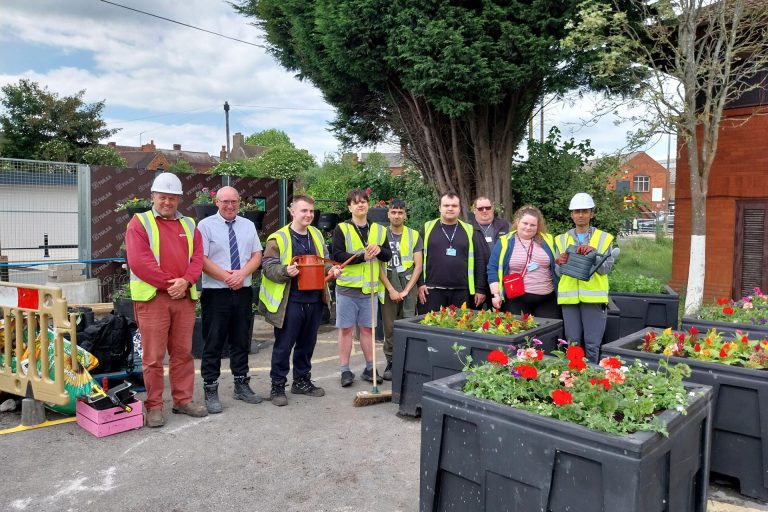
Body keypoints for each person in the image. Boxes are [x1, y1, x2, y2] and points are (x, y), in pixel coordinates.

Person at [125, 172, 207, 427]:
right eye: (163, 197)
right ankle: (154, 406)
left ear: (180, 199)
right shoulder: (139, 223)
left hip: (183, 297)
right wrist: (171, 284)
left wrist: (187, 281)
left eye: (173, 198)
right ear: (153, 197)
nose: (168, 202)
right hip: (153, 299)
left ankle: (182, 400)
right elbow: (140, 262)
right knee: (153, 357)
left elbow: (198, 259)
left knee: (183, 354)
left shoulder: (190, 225)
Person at [260, 195, 342, 406]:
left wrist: (331, 269)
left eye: (311, 211)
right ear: (292, 212)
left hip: (314, 300)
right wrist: (285, 271)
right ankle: (277, 386)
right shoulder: (277, 238)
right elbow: (268, 267)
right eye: (304, 211)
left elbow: (322, 261)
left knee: (307, 344)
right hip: (290, 302)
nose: (308, 215)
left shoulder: (316, 234)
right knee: (284, 345)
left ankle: (301, 381)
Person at [197, 186, 263, 414]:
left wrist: (242, 274)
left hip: (242, 291)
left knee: (240, 340)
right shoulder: (205, 226)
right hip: (216, 293)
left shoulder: (248, 225)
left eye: (234, 201)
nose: (230, 206)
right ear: (216, 202)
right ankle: (211, 388)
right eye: (225, 201)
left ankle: (241, 384)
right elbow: (202, 259)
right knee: (213, 342)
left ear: (239, 203)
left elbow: (257, 255)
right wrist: (227, 277)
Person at [332, 188, 392, 387]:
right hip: (347, 289)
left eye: (363, 201)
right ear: (349, 207)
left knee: (368, 330)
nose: (360, 205)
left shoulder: (380, 230)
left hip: (370, 291)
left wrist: (379, 251)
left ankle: (369, 368)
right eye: (355, 202)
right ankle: (345, 370)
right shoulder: (342, 228)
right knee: (346, 330)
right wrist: (361, 257)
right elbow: (337, 256)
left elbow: (388, 255)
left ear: (368, 204)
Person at [554, 192, 616, 363]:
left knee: (592, 344)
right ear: (571, 215)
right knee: (573, 343)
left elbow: (605, 270)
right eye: (576, 211)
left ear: (592, 213)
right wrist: (559, 263)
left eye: (585, 211)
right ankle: (572, 378)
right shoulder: (560, 240)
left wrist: (594, 254)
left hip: (593, 299)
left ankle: (592, 380)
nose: (580, 215)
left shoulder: (604, 238)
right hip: (569, 299)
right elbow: (558, 273)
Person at [417, 192, 488, 313]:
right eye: (446, 205)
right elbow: (418, 258)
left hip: (462, 291)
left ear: (459, 208)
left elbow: (479, 260)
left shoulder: (470, 230)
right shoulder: (427, 228)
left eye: (454, 206)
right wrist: (420, 284)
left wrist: (480, 289)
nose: (450, 208)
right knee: (431, 330)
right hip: (431, 290)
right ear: (440, 208)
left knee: (460, 329)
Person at [487, 205, 560, 319]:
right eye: (525, 223)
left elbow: (557, 266)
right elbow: (493, 269)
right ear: (517, 222)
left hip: (547, 300)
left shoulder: (549, 240)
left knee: (547, 334)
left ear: (538, 226)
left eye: (532, 225)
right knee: (519, 334)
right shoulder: (505, 242)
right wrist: (495, 294)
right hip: (515, 300)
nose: (528, 227)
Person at [378, 199, 423, 381]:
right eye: (393, 212)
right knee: (390, 327)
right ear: (388, 214)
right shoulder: (380, 235)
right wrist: (390, 289)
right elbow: (378, 266)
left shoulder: (414, 235)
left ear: (405, 215)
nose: (397, 216)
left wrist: (406, 291)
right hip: (388, 284)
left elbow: (418, 266)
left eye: (400, 212)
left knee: (408, 324)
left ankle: (407, 362)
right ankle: (391, 362)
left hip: (408, 285)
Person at [471, 196, 510, 309]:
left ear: (492, 209)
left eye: (488, 207)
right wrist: (479, 287)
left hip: (502, 280)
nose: (484, 211)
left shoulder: (505, 225)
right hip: (478, 281)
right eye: (480, 208)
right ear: (474, 210)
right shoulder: (468, 228)